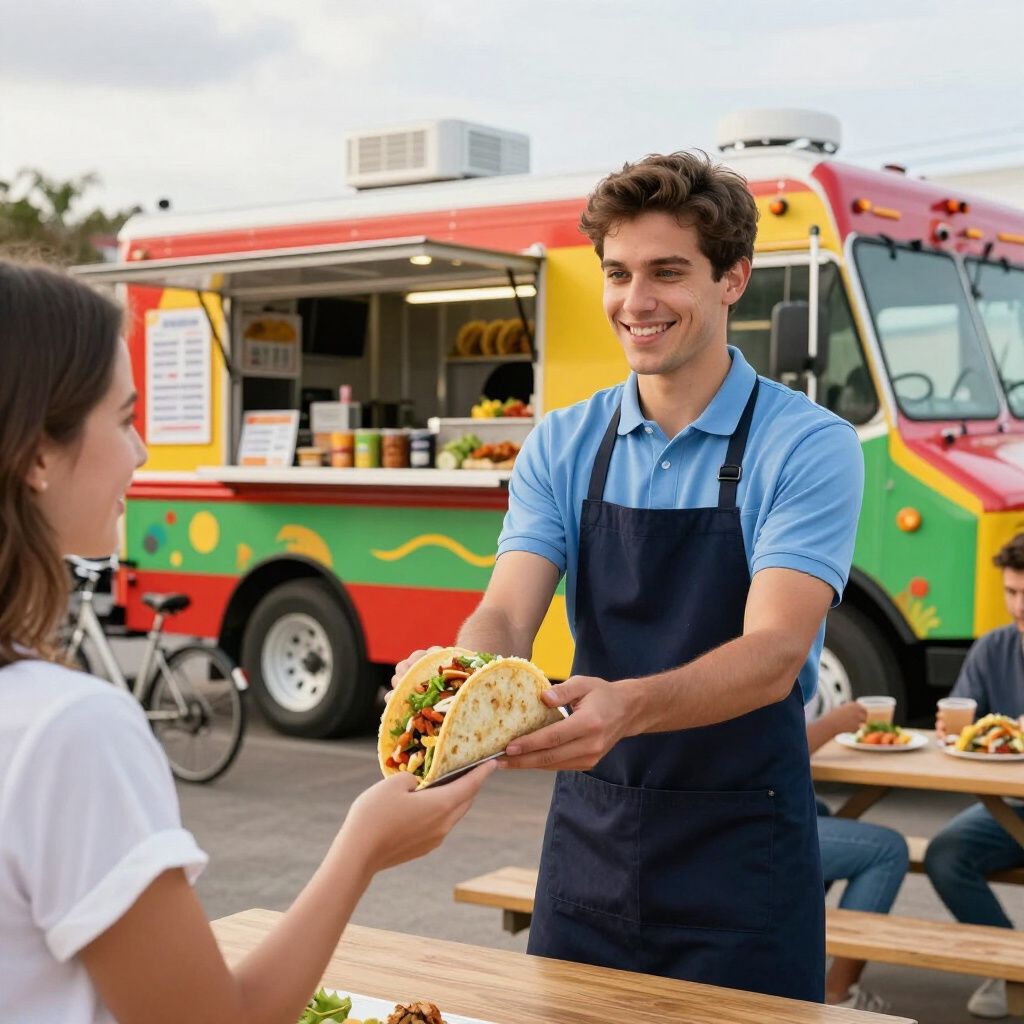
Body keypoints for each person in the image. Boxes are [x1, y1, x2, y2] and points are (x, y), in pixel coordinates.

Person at [394, 152, 863, 1001]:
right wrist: (460, 686)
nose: (634, 302)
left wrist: (628, 705)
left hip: (743, 861)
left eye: (666, 272)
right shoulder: (563, 444)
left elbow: (775, 653)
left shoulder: (808, 445)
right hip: (592, 850)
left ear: (734, 279)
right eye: (617, 273)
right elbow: (504, 613)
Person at [0, 260, 495, 1024]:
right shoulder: (68, 731)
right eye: (126, 419)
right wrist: (362, 847)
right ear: (36, 454)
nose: (142, 455)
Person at [924, 532, 1024, 1020]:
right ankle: (1011, 968)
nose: (1018, 606)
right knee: (945, 855)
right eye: (1011, 592)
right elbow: (967, 731)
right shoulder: (993, 648)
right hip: (1012, 806)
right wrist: (951, 732)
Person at [806, 702, 909, 1012]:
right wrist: (832, 724)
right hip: (742, 821)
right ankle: (837, 995)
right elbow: (772, 755)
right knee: (887, 850)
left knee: (820, 810)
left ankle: (798, 959)